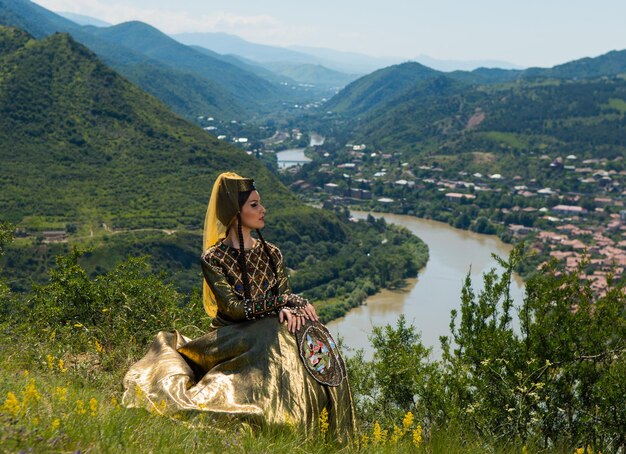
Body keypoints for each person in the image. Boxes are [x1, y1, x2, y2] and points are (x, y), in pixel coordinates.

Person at [123, 172, 356, 442]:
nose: (262, 210)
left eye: (260, 203)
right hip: (231, 335)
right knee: (276, 333)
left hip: (267, 328)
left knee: (308, 330)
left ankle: (324, 432)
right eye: (254, 205)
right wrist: (280, 303)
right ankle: (284, 424)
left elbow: (284, 294)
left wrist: (296, 307)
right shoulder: (214, 258)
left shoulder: (272, 252)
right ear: (236, 211)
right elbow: (234, 309)